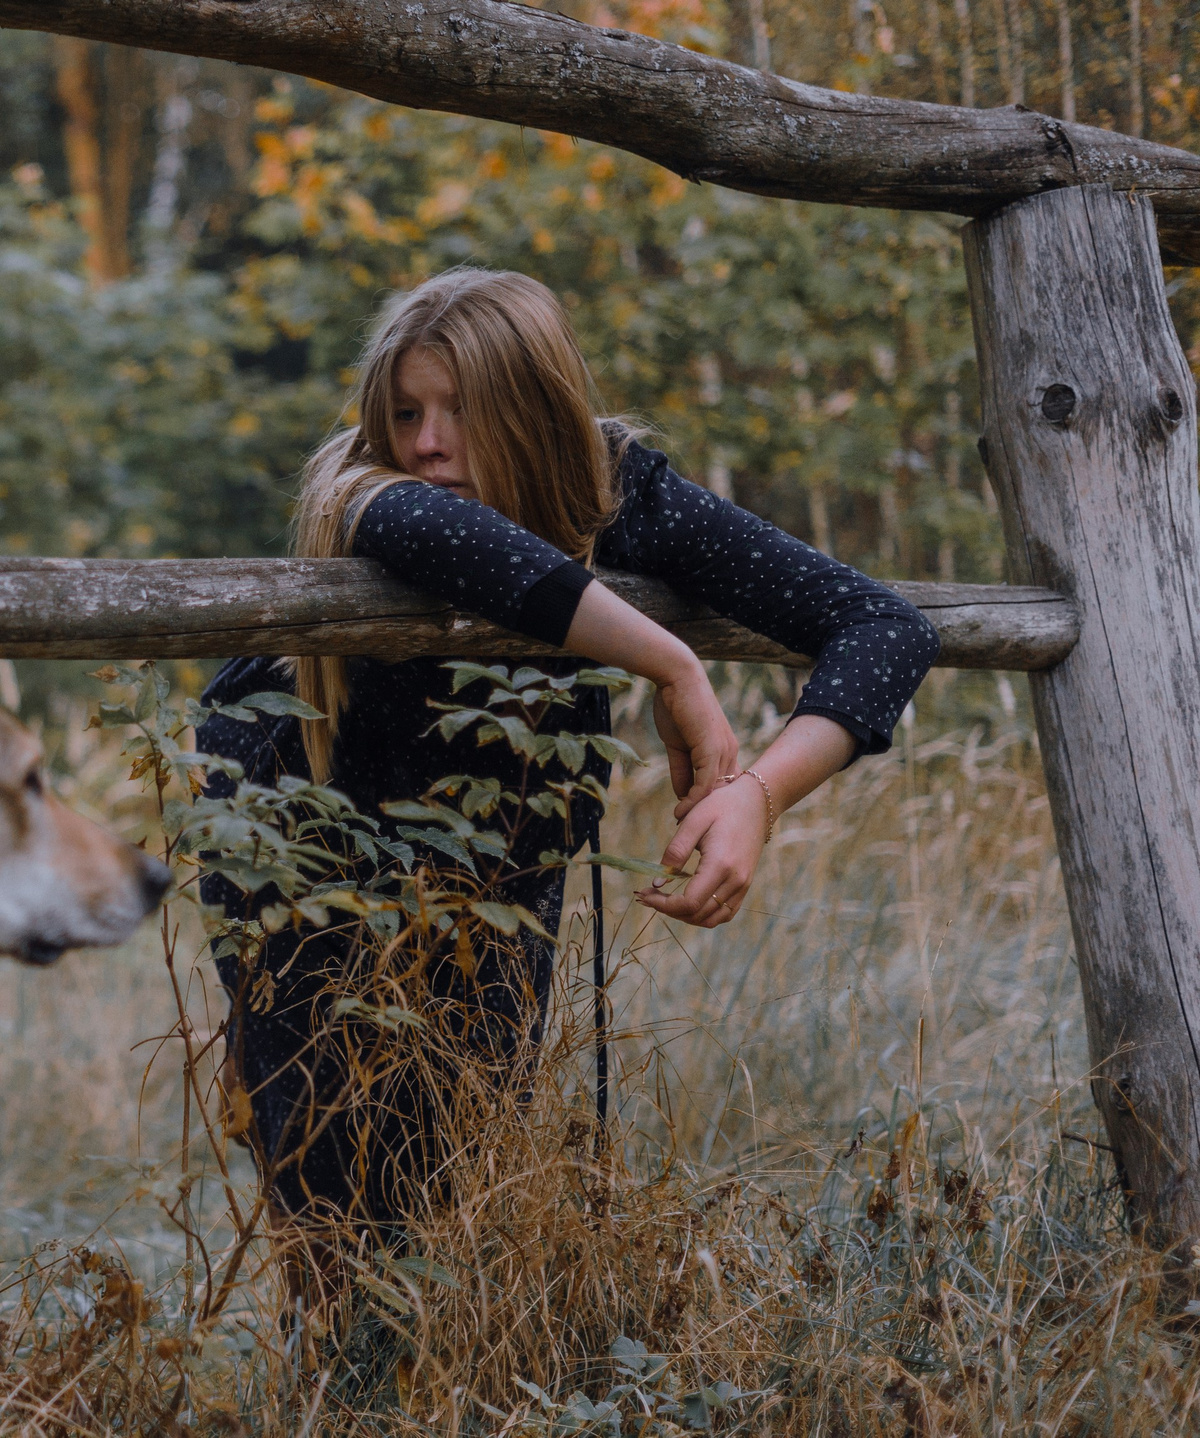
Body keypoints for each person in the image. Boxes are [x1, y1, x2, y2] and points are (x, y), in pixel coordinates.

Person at [195, 268, 938, 1244]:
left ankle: (462, 1377)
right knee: (327, 1173)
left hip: (502, 848)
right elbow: (456, 540)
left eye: (460, 411)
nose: (425, 442)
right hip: (305, 838)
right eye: (407, 410)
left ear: (533, 412)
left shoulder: (610, 489)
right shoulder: (364, 490)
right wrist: (673, 665)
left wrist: (757, 794)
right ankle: (338, 1380)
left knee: (469, 1144)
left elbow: (883, 626)